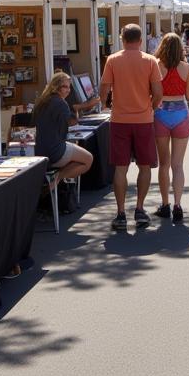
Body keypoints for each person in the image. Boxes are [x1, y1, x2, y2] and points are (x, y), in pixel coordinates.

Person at [100, 24, 164, 230]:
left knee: (121, 167)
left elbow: (104, 88)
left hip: (119, 119)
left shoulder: (113, 60)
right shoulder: (150, 60)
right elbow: (158, 91)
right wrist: (151, 107)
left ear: (122, 39)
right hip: (143, 120)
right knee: (144, 166)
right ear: (141, 40)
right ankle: (139, 208)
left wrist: (105, 104)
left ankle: (120, 213)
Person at [33, 71, 94, 214]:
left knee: (77, 153)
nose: (68, 90)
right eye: (65, 87)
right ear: (56, 87)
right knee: (88, 159)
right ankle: (57, 179)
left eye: (69, 87)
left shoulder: (42, 101)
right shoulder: (60, 103)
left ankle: (57, 179)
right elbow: (72, 121)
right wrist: (79, 108)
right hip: (56, 150)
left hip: (40, 150)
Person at [153, 32, 189, 224]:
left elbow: (150, 92)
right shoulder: (187, 68)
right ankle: (178, 205)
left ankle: (165, 204)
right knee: (178, 165)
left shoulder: (156, 66)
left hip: (160, 113)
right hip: (180, 114)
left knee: (164, 164)